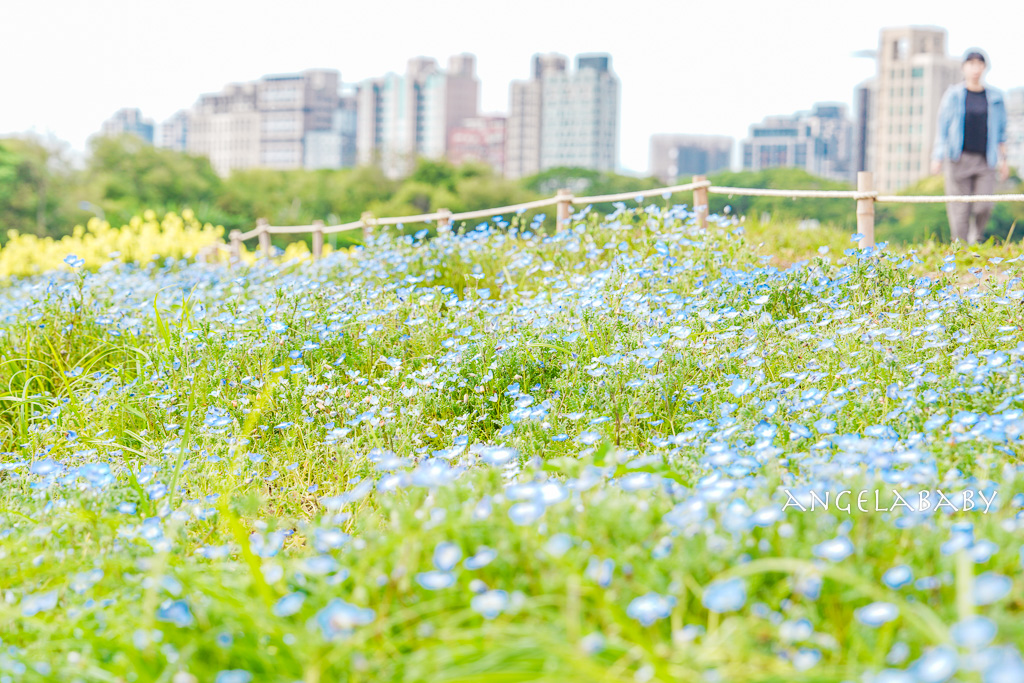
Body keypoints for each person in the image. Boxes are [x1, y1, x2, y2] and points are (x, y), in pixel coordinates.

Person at [930, 48, 1009, 245]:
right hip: (958, 157)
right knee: (959, 207)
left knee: (984, 205)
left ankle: (977, 239)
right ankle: (961, 248)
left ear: (984, 68)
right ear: (964, 67)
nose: (975, 69)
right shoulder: (954, 95)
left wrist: (1004, 161)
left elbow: (1001, 132)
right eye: (971, 64)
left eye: (979, 64)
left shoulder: (996, 97)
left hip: (986, 159)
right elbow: (943, 127)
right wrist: (937, 157)